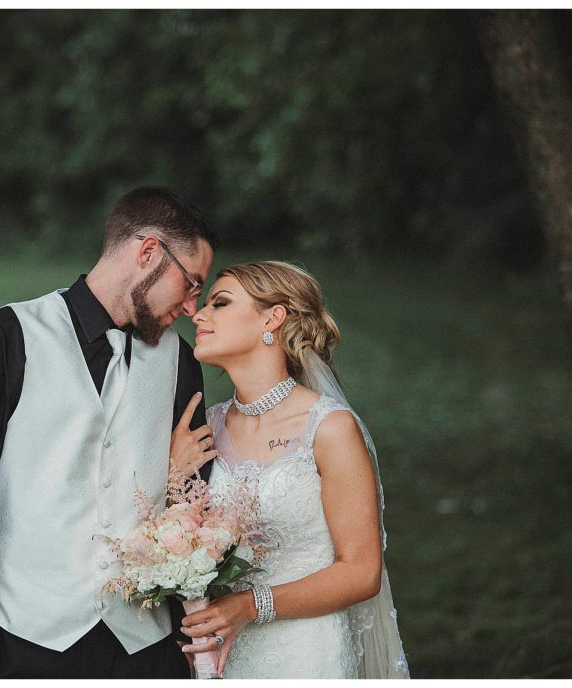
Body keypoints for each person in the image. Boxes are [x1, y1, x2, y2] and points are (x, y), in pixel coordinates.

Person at [0, 187, 219, 679]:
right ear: (147, 253)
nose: (191, 307)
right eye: (190, 284)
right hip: (20, 638)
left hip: (144, 648)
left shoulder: (179, 363)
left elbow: (193, 499)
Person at [170, 261, 410, 679]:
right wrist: (176, 475)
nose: (198, 314)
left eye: (219, 303)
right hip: (222, 655)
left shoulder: (329, 428)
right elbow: (181, 542)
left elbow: (362, 572)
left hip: (305, 652)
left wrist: (249, 606)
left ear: (272, 317)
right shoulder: (204, 429)